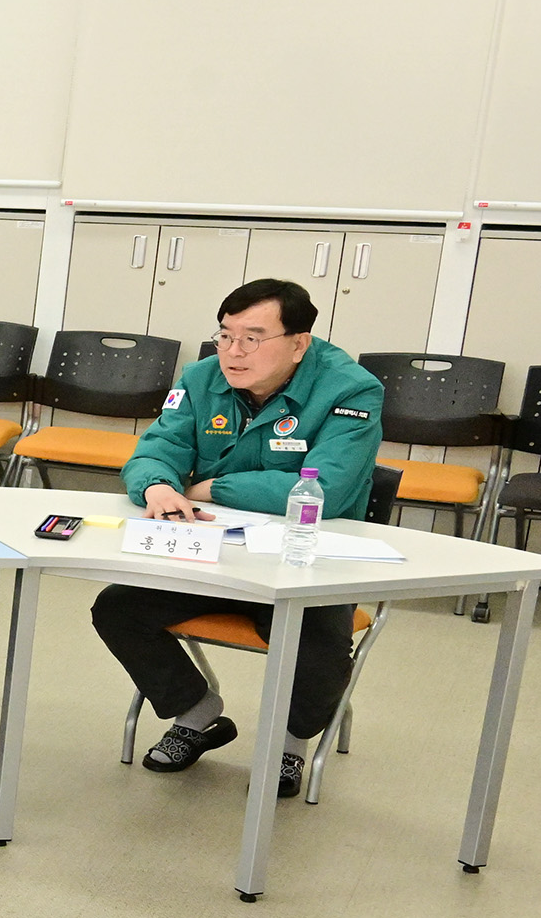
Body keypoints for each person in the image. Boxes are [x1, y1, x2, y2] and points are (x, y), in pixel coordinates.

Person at [91, 277, 387, 798]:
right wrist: (158, 484)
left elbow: (328, 490)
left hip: (303, 561)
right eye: (225, 335)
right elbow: (155, 450)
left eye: (253, 337)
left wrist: (213, 486)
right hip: (213, 553)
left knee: (315, 641)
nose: (233, 351)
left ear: (299, 343)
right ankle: (197, 713)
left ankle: (291, 745)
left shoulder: (351, 389)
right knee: (117, 608)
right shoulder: (201, 378)